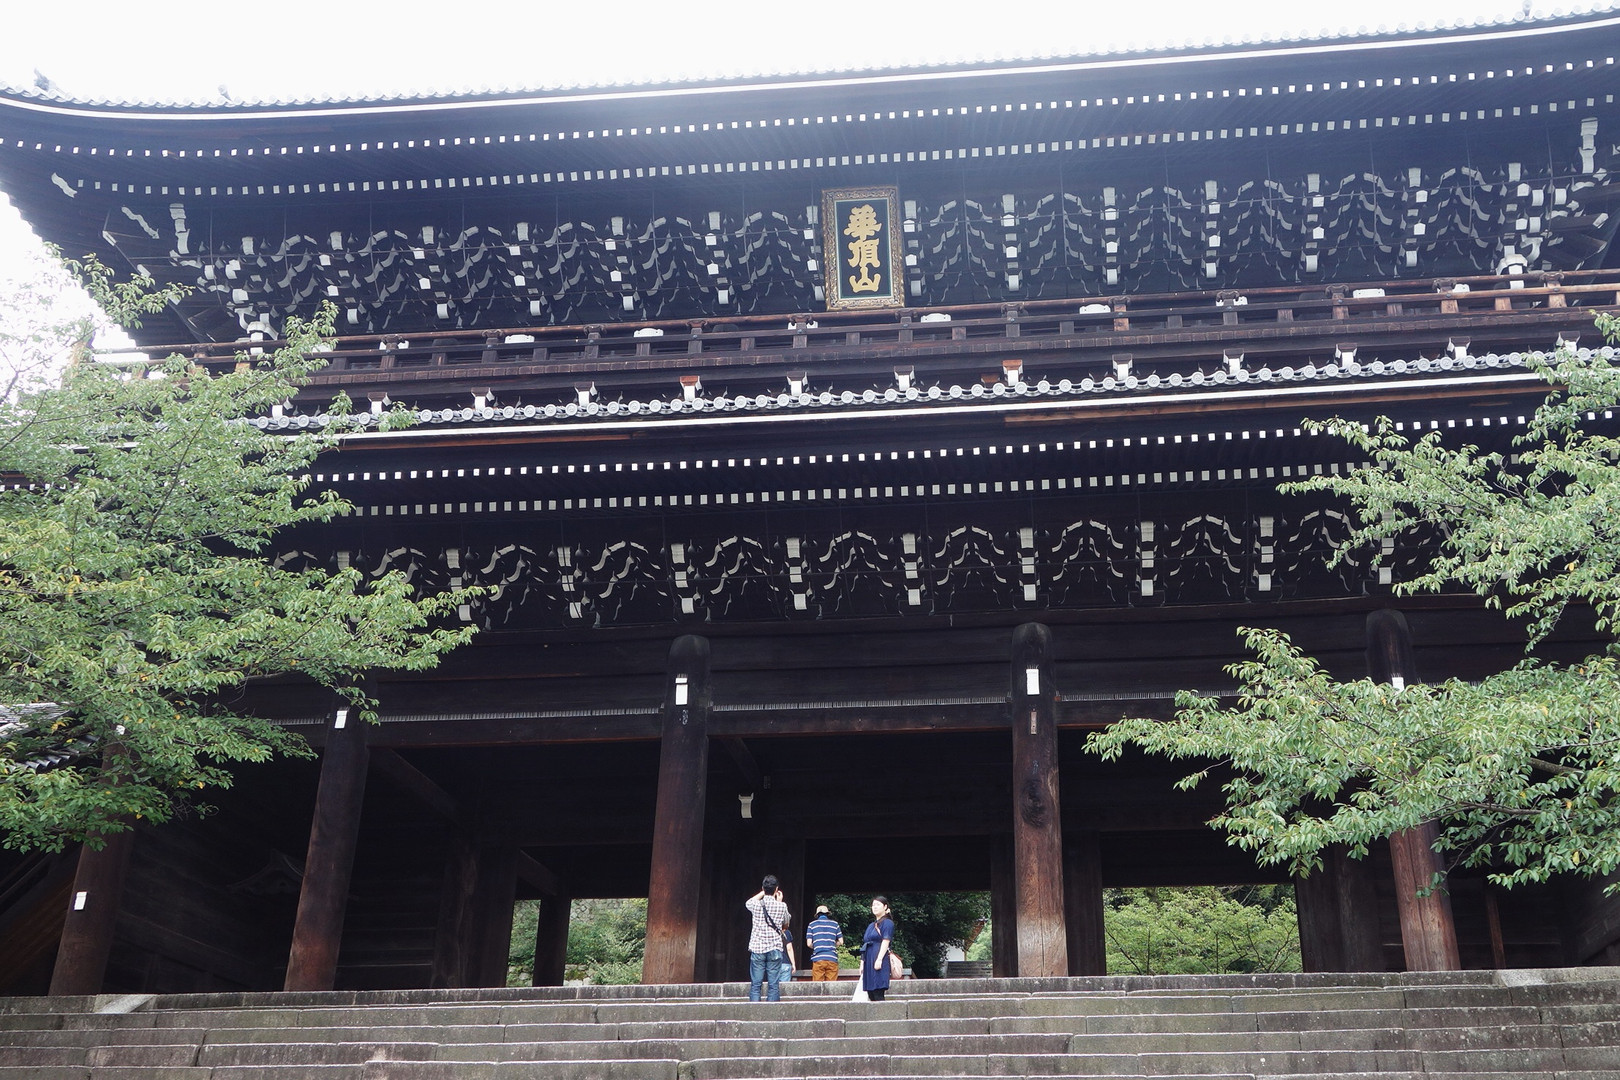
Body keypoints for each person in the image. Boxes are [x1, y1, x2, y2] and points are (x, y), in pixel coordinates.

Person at [745, 874, 791, 1002]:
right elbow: (786, 923)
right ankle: (772, 1011)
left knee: (756, 985)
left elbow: (748, 902)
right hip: (775, 947)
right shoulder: (782, 906)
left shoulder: (756, 904)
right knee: (773, 985)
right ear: (776, 889)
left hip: (757, 947)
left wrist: (763, 892)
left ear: (763, 888)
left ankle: (754, 1010)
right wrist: (779, 901)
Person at [860, 896, 895, 1001]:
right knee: (870, 992)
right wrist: (862, 962)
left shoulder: (887, 923)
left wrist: (879, 959)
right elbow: (865, 944)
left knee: (878, 990)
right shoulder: (871, 925)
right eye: (873, 905)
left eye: (878, 905)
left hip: (879, 957)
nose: (874, 907)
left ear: (885, 907)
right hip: (869, 958)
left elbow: (886, 941)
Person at [805, 904, 844, 981]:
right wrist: (833, 945)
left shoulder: (812, 925)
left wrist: (817, 946)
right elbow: (841, 941)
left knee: (817, 985)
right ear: (827, 914)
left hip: (818, 959)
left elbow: (809, 944)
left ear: (817, 915)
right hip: (832, 958)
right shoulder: (835, 924)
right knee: (831, 986)